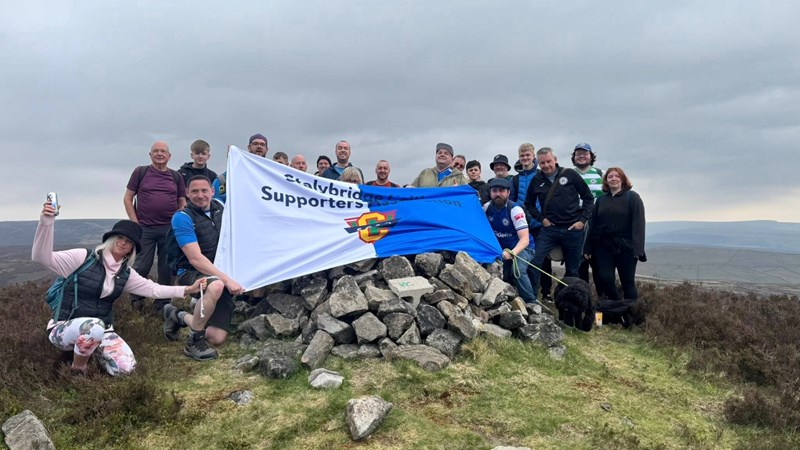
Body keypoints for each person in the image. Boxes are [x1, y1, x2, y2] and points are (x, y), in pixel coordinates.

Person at [32, 202, 205, 375]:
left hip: (102, 330)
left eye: (129, 242)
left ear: (132, 249)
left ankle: (91, 356)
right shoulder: (82, 258)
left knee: (125, 368)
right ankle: (78, 370)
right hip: (63, 329)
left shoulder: (125, 273)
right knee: (94, 326)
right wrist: (46, 222)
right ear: (111, 239)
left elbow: (153, 289)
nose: (122, 243)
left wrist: (188, 289)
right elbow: (41, 257)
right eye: (119, 238)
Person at [162, 176, 245, 361]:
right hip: (190, 272)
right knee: (215, 285)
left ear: (212, 191)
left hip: (218, 272)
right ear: (187, 193)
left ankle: (177, 315)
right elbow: (195, 259)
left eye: (204, 190)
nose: (200, 195)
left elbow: (246, 188)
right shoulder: (182, 217)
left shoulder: (220, 206)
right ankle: (193, 342)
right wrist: (227, 280)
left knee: (216, 338)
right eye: (195, 191)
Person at [123, 141, 186, 313]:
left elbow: (182, 201)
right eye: (156, 151)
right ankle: (136, 302)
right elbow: (128, 198)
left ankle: (163, 304)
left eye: (163, 151)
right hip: (145, 228)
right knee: (141, 266)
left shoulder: (176, 177)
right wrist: (134, 222)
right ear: (150, 155)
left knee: (167, 268)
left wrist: (179, 221)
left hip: (169, 229)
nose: (159, 154)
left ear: (169, 156)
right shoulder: (140, 172)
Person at [525, 147, 594, 300]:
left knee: (572, 270)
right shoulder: (537, 180)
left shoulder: (570, 174)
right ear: (538, 163)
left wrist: (582, 221)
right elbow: (528, 203)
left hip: (573, 229)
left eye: (548, 161)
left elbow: (588, 198)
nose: (546, 165)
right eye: (542, 163)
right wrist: (541, 219)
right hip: (550, 230)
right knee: (535, 262)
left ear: (555, 159)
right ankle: (531, 299)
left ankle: (567, 302)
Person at [583, 167, 646, 300]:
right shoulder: (601, 200)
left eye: (617, 176)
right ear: (606, 181)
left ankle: (631, 310)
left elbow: (639, 224)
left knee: (627, 282)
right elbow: (593, 225)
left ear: (623, 179)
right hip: (603, 246)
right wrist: (588, 248)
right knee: (605, 278)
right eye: (610, 177)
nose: (614, 179)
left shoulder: (632, 197)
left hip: (627, 246)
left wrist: (638, 250)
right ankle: (616, 306)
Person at [483, 178, 537, 304]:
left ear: (508, 193)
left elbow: (524, 239)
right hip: (502, 249)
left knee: (517, 271)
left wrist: (512, 253)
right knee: (500, 274)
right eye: (494, 191)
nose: (498, 194)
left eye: (502, 191)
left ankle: (532, 302)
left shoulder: (515, 210)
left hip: (522, 248)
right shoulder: (486, 208)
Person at [511, 143, 552, 302]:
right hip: (522, 226)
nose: (525, 158)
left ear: (533, 156)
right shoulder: (516, 179)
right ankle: (528, 294)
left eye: (528, 155)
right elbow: (512, 200)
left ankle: (545, 293)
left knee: (541, 260)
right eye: (522, 156)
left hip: (540, 224)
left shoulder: (542, 175)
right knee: (523, 259)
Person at [572, 142, 606, 295]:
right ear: (574, 157)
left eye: (585, 153)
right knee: (580, 263)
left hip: (597, 221)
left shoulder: (600, 173)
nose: (581, 156)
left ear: (591, 156)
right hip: (576, 220)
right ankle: (584, 297)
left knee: (598, 263)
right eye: (578, 153)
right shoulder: (568, 174)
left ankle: (603, 300)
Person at [213, 133, 268, 203]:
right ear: (249, 147)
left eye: (262, 144)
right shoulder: (224, 179)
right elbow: (214, 203)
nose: (259, 146)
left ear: (267, 149)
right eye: (255, 144)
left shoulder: (272, 176)